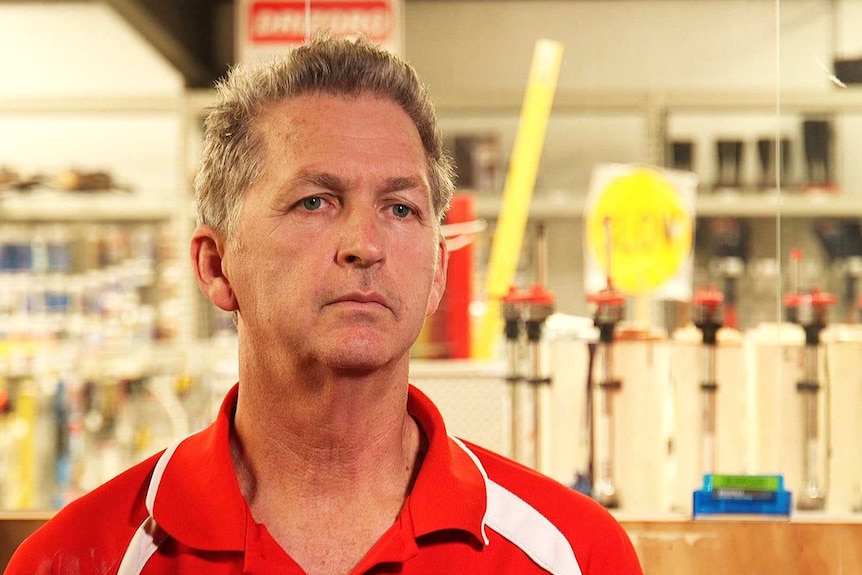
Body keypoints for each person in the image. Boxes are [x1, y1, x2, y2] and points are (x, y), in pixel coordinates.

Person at [6, 34, 643, 575]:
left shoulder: (574, 555)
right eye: (316, 201)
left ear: (438, 272)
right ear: (214, 266)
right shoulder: (79, 558)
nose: (364, 245)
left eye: (400, 208)